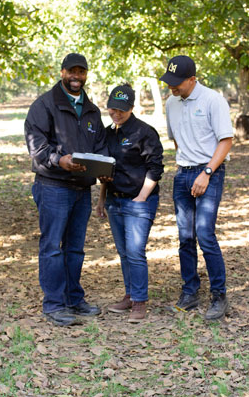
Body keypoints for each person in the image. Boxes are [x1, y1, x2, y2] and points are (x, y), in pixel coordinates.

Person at [25, 53, 109, 326]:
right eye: (71, 71)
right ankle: (54, 305)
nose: (76, 76)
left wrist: (103, 168)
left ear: (86, 74)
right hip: (53, 187)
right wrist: (59, 160)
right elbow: (37, 147)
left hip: (81, 189)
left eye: (81, 72)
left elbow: (100, 147)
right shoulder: (44, 105)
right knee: (52, 248)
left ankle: (74, 300)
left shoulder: (92, 111)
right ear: (62, 72)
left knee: (75, 249)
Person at [160, 55, 233, 320]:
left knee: (205, 234)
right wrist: (186, 169)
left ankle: (219, 296)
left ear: (192, 79)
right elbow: (177, 140)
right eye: (169, 82)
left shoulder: (213, 100)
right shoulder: (171, 103)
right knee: (185, 238)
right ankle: (190, 293)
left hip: (209, 172)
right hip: (182, 175)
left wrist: (206, 172)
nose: (172, 87)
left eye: (177, 83)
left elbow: (226, 140)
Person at [96, 84, 164, 323]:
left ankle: (140, 303)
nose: (116, 114)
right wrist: (102, 198)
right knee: (124, 252)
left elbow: (156, 168)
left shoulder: (145, 132)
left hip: (139, 201)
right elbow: (106, 167)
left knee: (135, 252)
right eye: (112, 109)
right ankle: (130, 294)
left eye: (121, 110)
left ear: (132, 108)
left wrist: (142, 197)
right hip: (115, 201)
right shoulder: (107, 133)